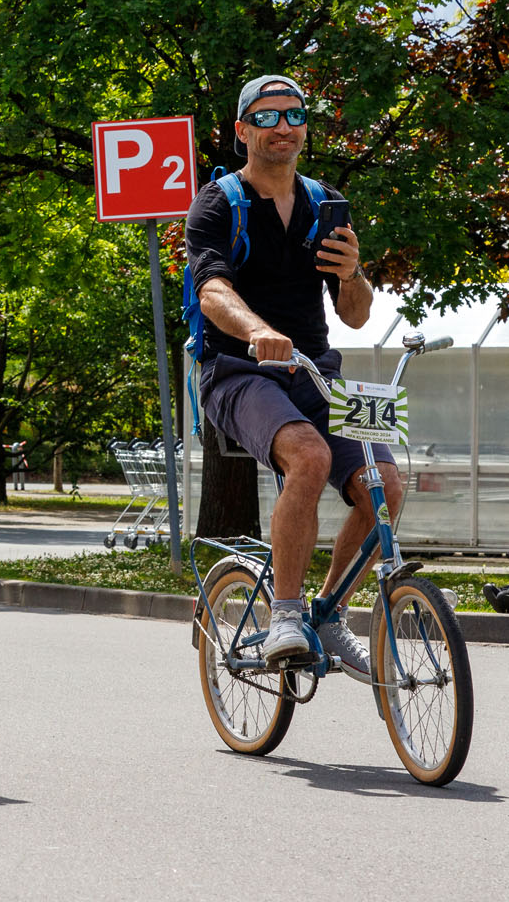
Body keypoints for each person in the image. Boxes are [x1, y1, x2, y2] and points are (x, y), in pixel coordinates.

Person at [185, 73, 387, 680]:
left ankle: (329, 612)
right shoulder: (218, 202)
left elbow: (356, 315)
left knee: (385, 486)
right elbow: (212, 290)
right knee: (309, 455)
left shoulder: (324, 202)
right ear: (243, 131)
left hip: (314, 371)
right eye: (268, 117)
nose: (284, 127)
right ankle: (286, 615)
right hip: (237, 371)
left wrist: (352, 274)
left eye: (294, 115)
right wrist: (256, 332)